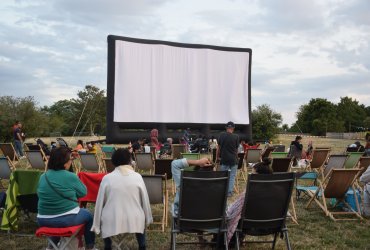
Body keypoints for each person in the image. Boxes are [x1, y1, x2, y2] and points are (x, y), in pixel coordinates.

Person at [91, 148, 152, 250]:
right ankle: (142, 245)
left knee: (105, 216)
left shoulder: (107, 178)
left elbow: (99, 203)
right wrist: (147, 217)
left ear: (114, 161)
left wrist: (96, 223)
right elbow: (145, 200)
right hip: (134, 219)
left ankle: (108, 245)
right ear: (129, 160)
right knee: (138, 214)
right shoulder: (137, 177)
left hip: (112, 219)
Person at [37, 147, 96, 250]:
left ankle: (52, 246)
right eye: (70, 159)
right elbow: (83, 192)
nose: (71, 161)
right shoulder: (70, 176)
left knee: (55, 216)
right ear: (65, 163)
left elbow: (40, 194)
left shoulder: (43, 176)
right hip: (66, 219)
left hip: (43, 219)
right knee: (89, 215)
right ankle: (90, 246)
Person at [226, 158, 273, 244]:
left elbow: (233, 212)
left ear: (258, 176)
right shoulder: (276, 191)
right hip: (273, 225)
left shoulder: (250, 192)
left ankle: (235, 239)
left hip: (249, 225)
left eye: (253, 174)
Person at [217, 121, 239, 196]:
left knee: (224, 176)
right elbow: (236, 150)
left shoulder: (221, 135)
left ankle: (223, 191)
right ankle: (229, 192)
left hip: (224, 159)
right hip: (233, 159)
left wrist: (217, 157)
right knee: (232, 176)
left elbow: (218, 148)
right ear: (233, 128)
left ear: (226, 128)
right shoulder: (236, 136)